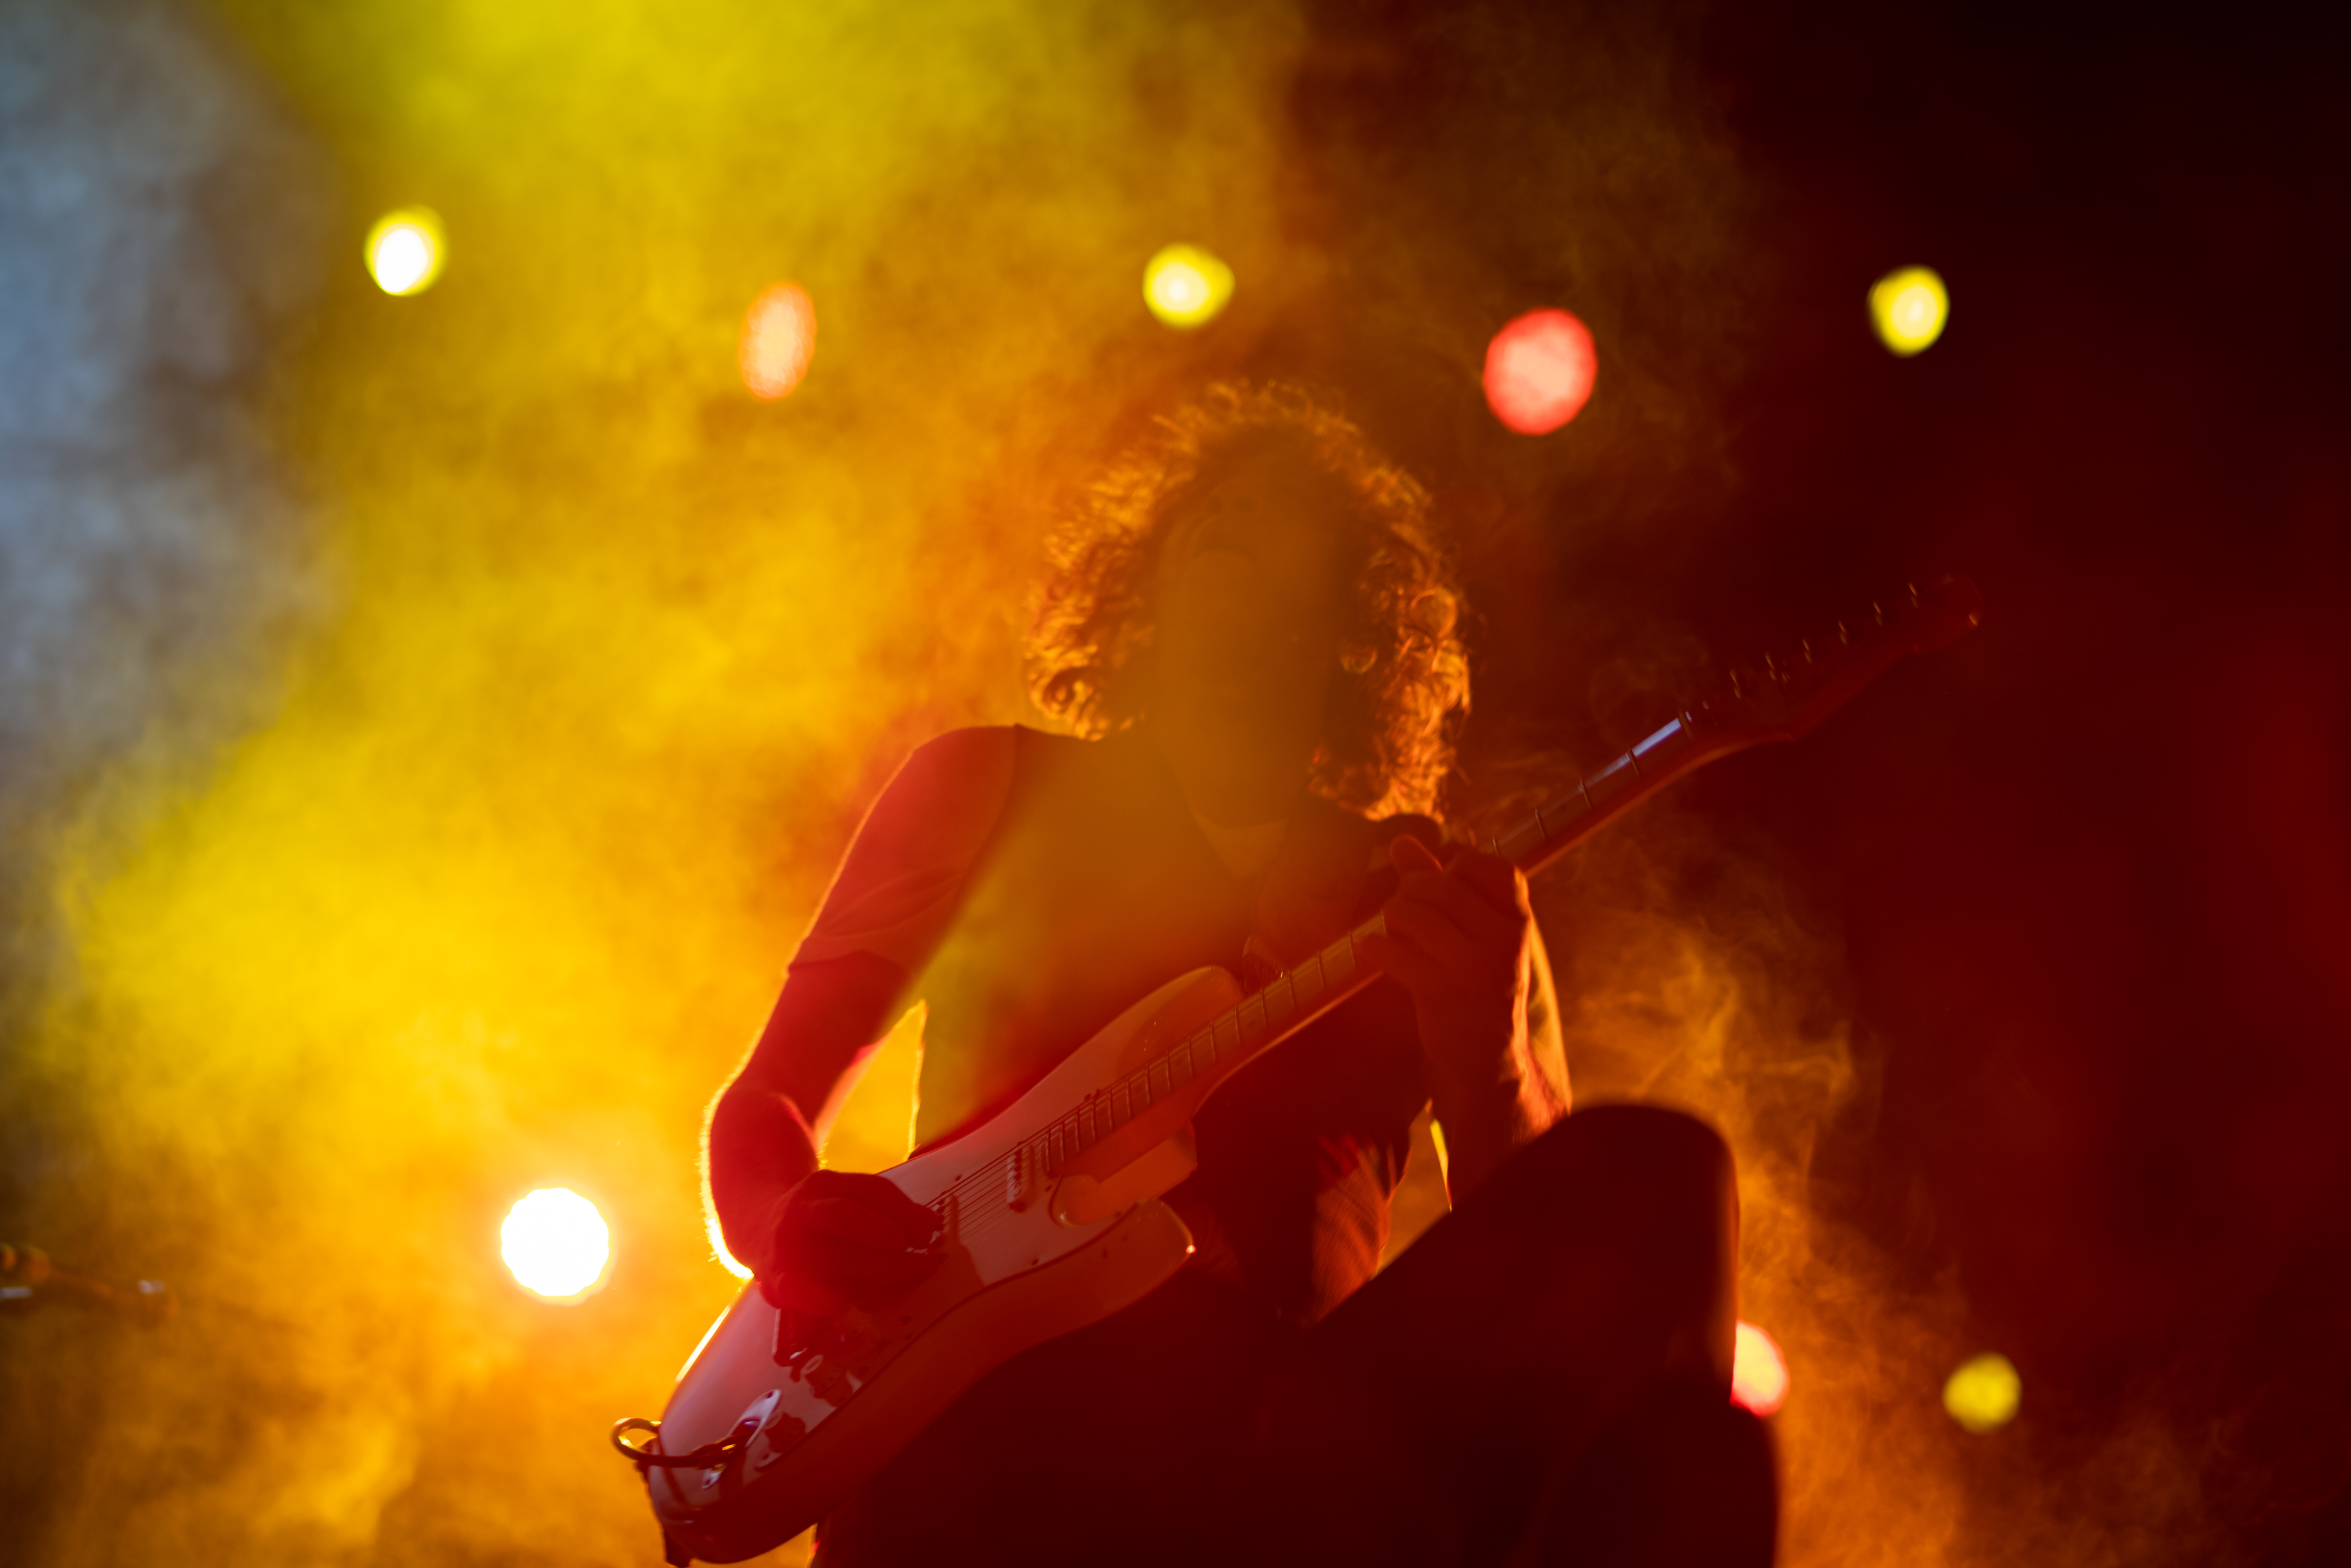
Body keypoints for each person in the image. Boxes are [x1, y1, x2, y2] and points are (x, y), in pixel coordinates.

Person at [704, 383, 1774, 1567]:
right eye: (1208, 506)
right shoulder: (977, 787)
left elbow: (1550, 1260)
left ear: (1353, 624)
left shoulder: (1431, 887)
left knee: (1661, 1173)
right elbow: (768, 1100)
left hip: (1281, 1475)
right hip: (974, 1433)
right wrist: (786, 1221)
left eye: (1278, 512)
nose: (1228, 513)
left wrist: (1487, 1052)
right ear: (1144, 587)